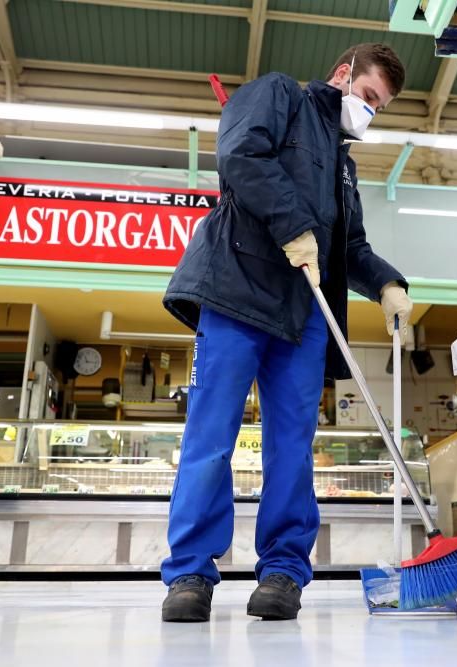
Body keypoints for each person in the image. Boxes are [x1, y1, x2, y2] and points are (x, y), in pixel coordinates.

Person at [161, 43, 413, 622]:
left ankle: (282, 571)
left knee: (293, 450)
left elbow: (350, 248)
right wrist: (294, 224)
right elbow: (241, 154)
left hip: (303, 315)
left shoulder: (343, 169)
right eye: (369, 96)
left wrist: (386, 285)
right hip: (236, 290)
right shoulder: (279, 94)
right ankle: (191, 574)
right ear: (343, 75)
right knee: (210, 439)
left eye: (381, 106)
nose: (370, 111)